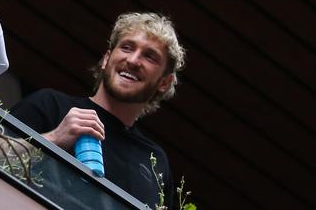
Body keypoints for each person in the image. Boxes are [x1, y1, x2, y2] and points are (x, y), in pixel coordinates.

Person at [10, 12, 186, 209]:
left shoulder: (155, 160)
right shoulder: (51, 104)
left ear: (164, 82)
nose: (134, 60)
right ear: (106, 59)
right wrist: (54, 138)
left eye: (149, 57)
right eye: (127, 47)